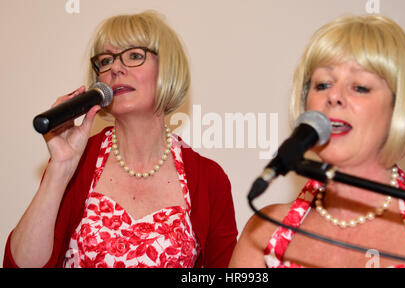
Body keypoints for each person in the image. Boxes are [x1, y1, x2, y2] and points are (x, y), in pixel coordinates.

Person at [4, 10, 237, 268]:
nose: (115, 68)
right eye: (105, 61)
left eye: (135, 56)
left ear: (168, 69)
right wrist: (60, 168)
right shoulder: (77, 163)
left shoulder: (209, 179)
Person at [229, 15, 405, 268]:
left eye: (360, 87)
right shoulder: (264, 232)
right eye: (322, 84)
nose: (333, 96)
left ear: (400, 107)